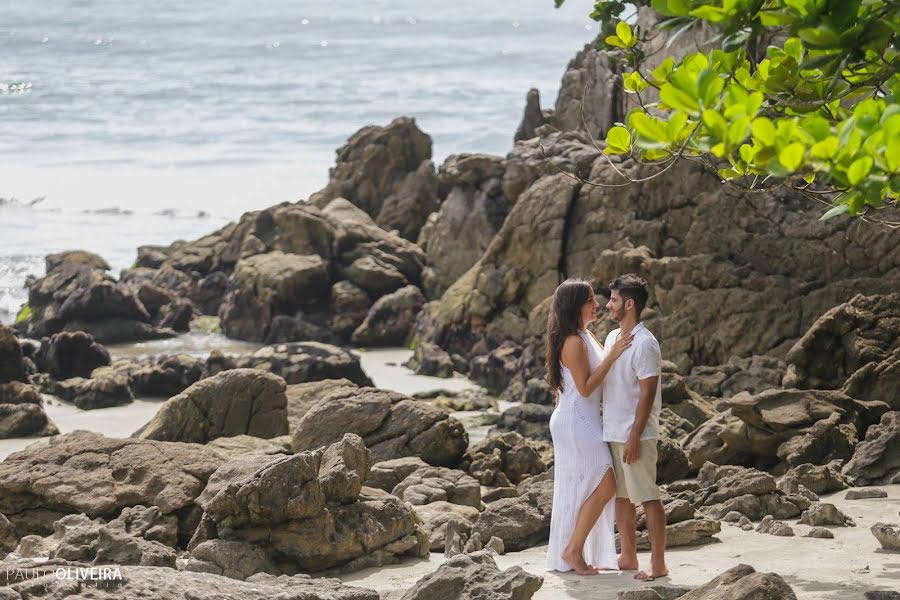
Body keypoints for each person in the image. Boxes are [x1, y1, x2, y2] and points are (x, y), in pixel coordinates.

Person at [545, 278, 633, 575]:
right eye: (590, 301)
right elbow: (584, 388)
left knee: (590, 486)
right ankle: (572, 550)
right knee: (606, 483)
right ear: (575, 306)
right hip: (576, 421)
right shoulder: (572, 341)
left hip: (583, 419)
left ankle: (574, 550)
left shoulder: (583, 335)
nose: (597, 305)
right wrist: (614, 356)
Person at [601, 273, 668, 581]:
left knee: (648, 497)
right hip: (612, 431)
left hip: (636, 435)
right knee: (623, 497)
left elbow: (648, 394)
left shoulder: (645, 344)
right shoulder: (613, 338)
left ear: (629, 304)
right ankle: (628, 555)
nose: (608, 305)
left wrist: (634, 436)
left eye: (613, 299)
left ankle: (658, 563)